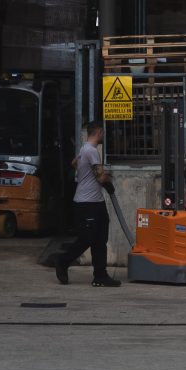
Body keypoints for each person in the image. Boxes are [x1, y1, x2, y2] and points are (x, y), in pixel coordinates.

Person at [56, 118, 118, 286]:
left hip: (96, 202)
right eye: (103, 132)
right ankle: (63, 261)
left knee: (100, 239)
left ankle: (100, 276)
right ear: (98, 132)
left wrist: (84, 173)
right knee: (87, 238)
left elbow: (74, 163)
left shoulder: (84, 149)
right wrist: (110, 178)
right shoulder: (91, 151)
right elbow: (100, 177)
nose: (104, 135)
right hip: (86, 203)